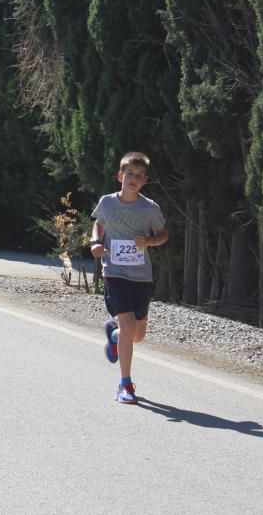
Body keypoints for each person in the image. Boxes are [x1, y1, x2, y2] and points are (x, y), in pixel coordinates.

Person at [90, 152, 169, 405]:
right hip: (114, 272)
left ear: (144, 181)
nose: (133, 179)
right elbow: (99, 225)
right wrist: (95, 241)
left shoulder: (150, 208)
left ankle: (114, 336)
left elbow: (163, 234)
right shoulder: (107, 202)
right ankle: (125, 385)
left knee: (137, 335)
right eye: (130, 174)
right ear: (120, 176)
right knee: (128, 325)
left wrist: (148, 241)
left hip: (141, 277)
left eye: (139, 176)